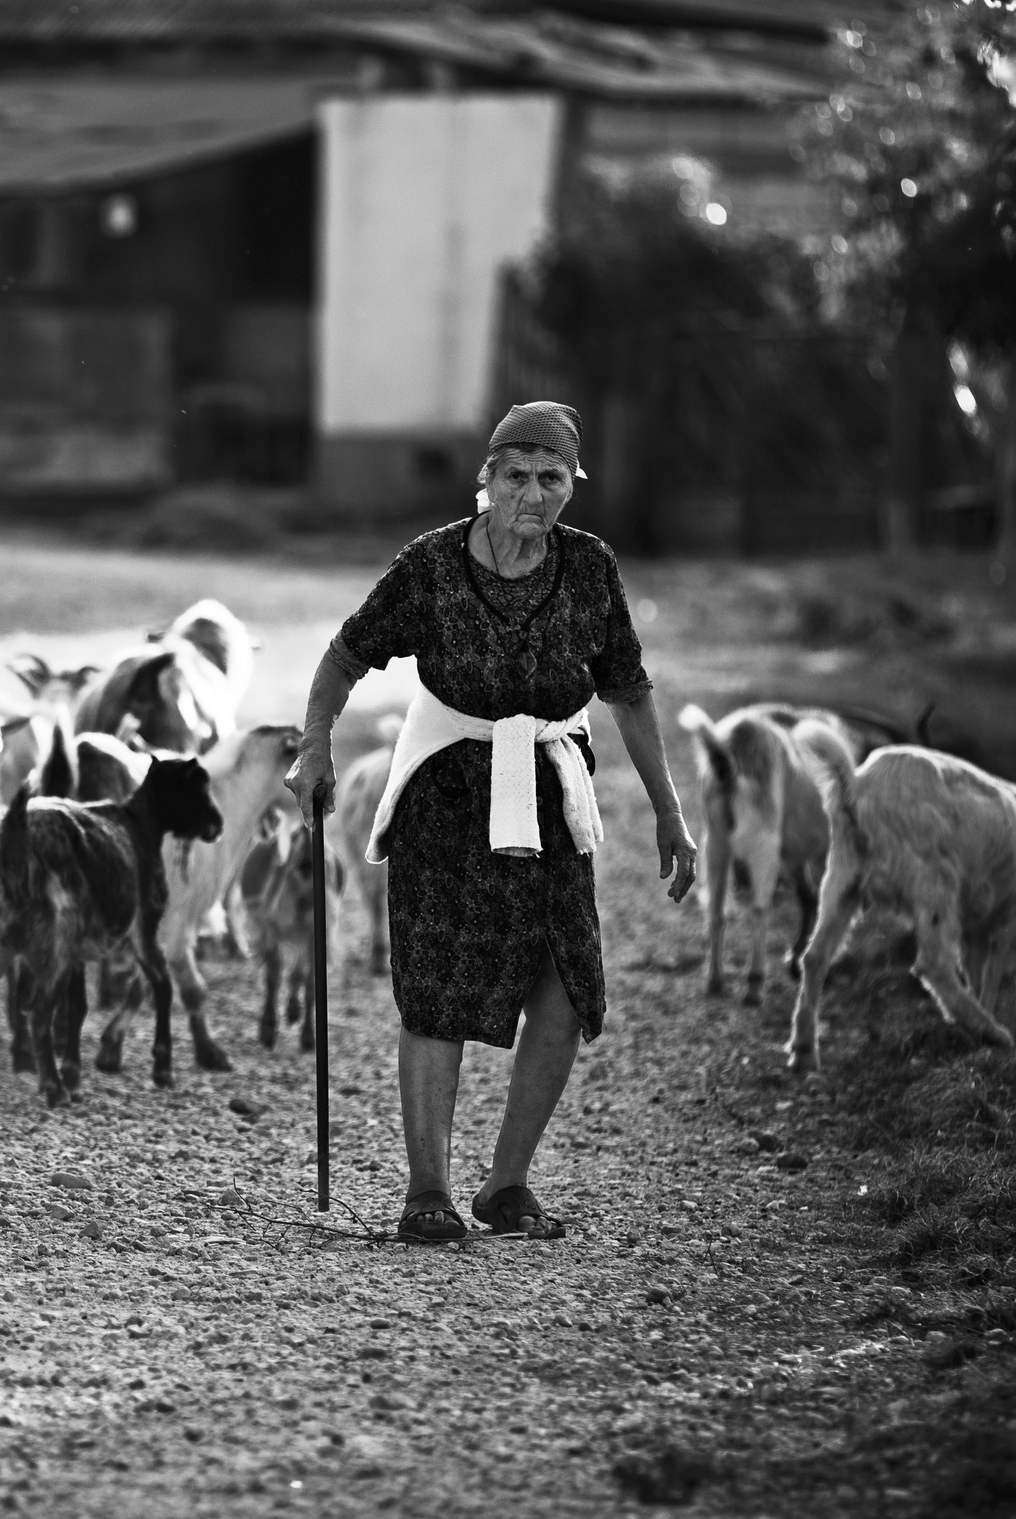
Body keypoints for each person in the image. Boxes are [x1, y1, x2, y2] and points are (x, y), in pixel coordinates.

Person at [284, 401, 697, 1242]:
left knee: (567, 985)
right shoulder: (432, 565)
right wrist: (316, 743)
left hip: (549, 789)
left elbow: (628, 689)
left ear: (571, 485)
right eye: (516, 476)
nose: (532, 496)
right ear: (488, 477)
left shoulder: (590, 567)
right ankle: (427, 1191)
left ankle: (506, 1184)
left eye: (552, 479)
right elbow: (344, 655)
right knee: (436, 983)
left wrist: (669, 808)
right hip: (445, 790)